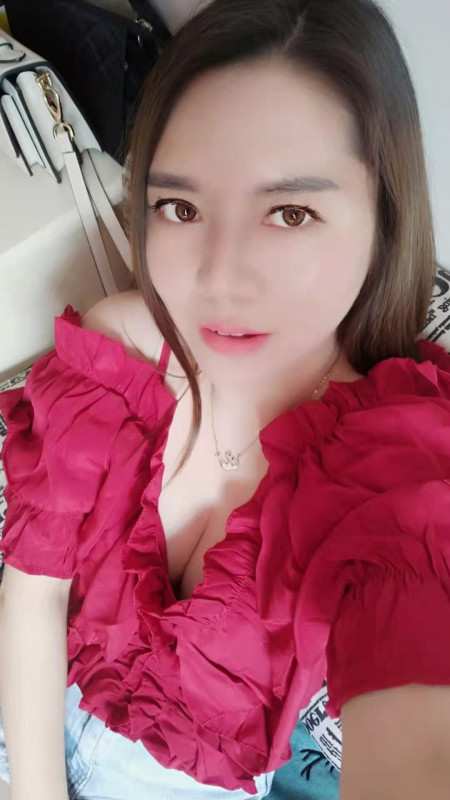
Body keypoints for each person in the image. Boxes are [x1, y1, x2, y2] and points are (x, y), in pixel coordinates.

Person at [1, 0, 450, 798]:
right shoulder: (120, 352)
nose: (218, 277)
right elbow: (33, 596)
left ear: (384, 219)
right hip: (26, 701)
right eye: (180, 206)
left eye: (290, 212)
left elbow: (419, 750)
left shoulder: (401, 465)